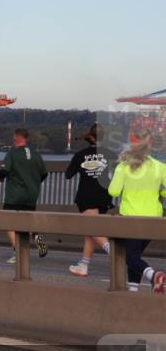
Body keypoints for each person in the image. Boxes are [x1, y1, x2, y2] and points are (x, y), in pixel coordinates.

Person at [107, 130, 166, 293]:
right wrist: (161, 193)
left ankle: (154, 276)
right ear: (151, 145)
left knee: (128, 256)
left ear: (131, 144)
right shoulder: (160, 167)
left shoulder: (123, 166)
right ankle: (133, 289)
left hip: (131, 219)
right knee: (135, 256)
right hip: (153, 219)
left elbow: (113, 191)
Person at [65, 124, 113, 276]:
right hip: (104, 196)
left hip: (87, 196)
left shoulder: (80, 155)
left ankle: (115, 252)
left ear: (89, 137)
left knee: (92, 230)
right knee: (90, 233)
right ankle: (84, 265)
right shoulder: (111, 153)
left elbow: (68, 175)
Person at [0, 128, 49, 263]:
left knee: (8, 223)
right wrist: (33, 183)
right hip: (31, 195)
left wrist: (1, 178)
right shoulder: (36, 154)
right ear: (26, 138)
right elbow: (44, 174)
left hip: (14, 195)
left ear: (16, 138)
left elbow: (4, 170)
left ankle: (19, 253)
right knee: (28, 222)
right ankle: (39, 239)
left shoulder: (12, 153)